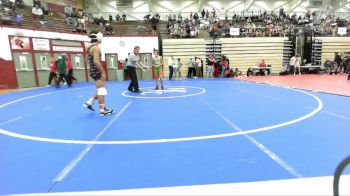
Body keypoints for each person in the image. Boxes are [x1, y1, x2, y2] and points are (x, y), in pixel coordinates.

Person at [83, 31, 114, 116]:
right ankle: (102, 110)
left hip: (93, 71)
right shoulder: (96, 48)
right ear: (99, 38)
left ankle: (89, 102)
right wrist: (103, 72)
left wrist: (92, 68)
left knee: (103, 88)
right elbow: (96, 61)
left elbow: (86, 61)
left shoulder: (89, 48)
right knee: (102, 90)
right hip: (97, 71)